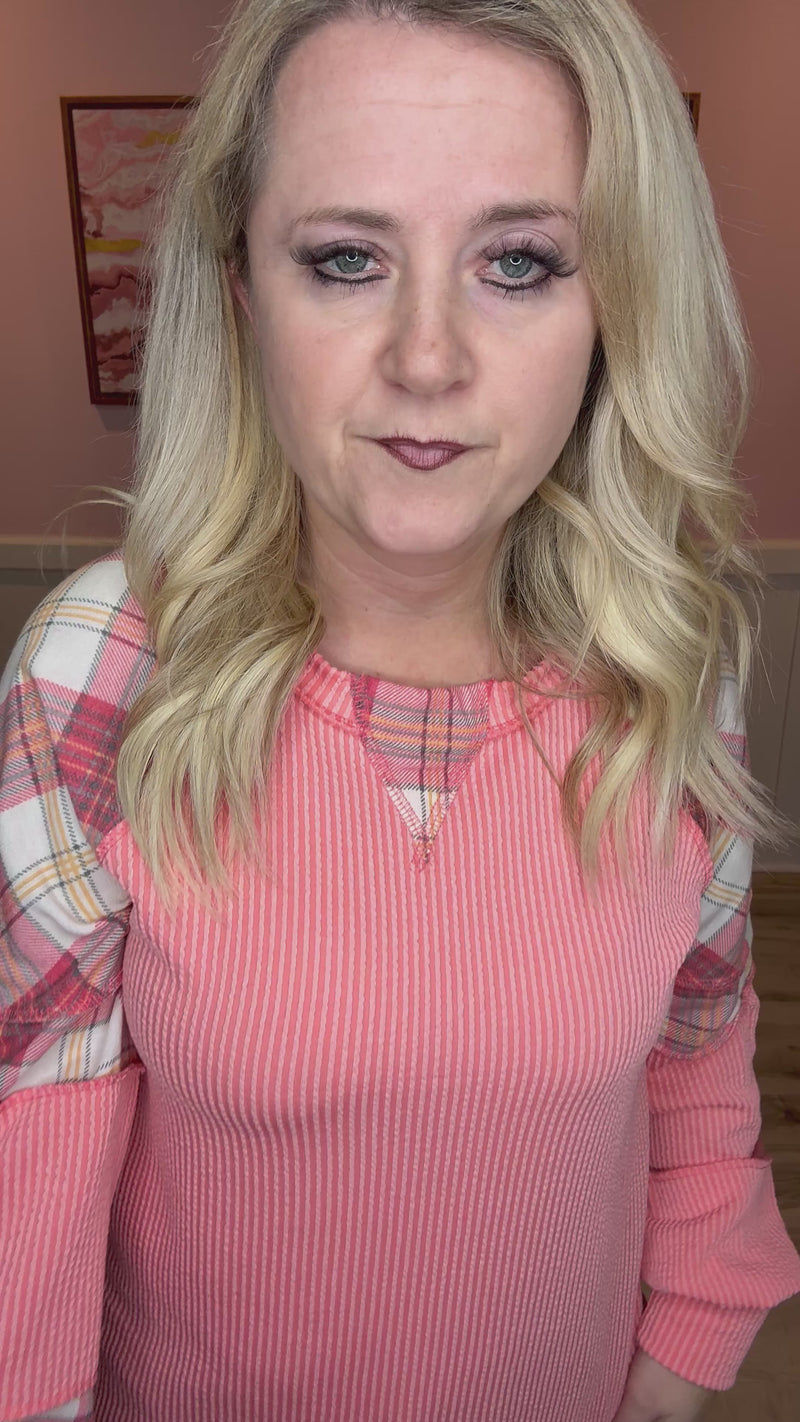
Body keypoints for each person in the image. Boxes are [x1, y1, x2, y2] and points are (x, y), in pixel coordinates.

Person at [2, 1, 799, 1419]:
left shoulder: (673, 664)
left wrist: (674, 1372)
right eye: (346, 259)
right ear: (243, 292)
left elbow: (700, 1042)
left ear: (615, 302)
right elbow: (35, 1134)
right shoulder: (103, 669)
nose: (427, 358)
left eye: (518, 262)